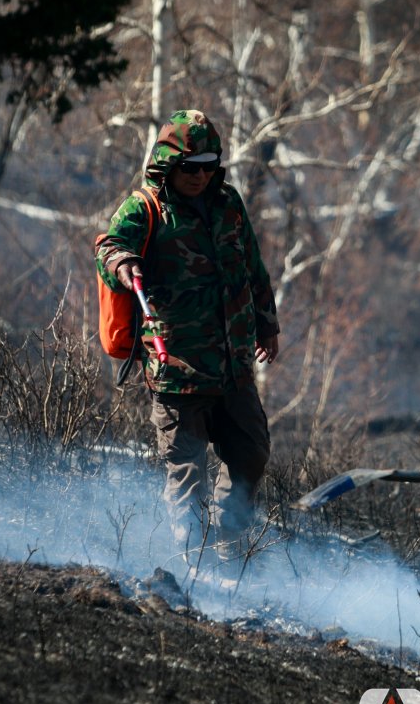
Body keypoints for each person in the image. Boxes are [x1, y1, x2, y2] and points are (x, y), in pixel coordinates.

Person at [95, 109, 281, 577]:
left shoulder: (229, 204)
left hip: (234, 366)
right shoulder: (146, 208)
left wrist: (267, 325)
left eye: (208, 165)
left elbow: (253, 267)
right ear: (168, 166)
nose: (200, 175)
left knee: (251, 454)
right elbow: (108, 245)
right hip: (176, 369)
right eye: (190, 166)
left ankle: (228, 549)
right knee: (187, 474)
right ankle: (191, 567)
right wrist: (122, 264)